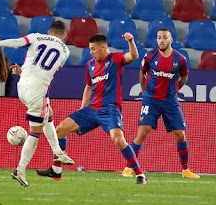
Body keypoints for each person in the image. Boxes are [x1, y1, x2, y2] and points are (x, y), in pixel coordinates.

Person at [35, 34, 149, 185]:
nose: (91, 52)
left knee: (118, 139)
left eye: (93, 49)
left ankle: (140, 174)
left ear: (103, 47)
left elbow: (134, 56)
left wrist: (131, 41)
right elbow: (88, 87)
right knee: (60, 130)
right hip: (91, 110)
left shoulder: (115, 59)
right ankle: (56, 170)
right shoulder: (90, 65)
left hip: (109, 110)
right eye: (90, 49)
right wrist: (82, 110)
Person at [0, 20, 75, 187]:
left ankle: (58, 153)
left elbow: (17, 43)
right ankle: (21, 170)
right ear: (64, 36)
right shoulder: (66, 51)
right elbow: (46, 70)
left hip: (22, 87)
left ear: (49, 31)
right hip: (37, 93)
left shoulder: (37, 37)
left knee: (48, 113)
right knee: (34, 134)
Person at [121, 28, 199, 179]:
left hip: (170, 100)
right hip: (151, 100)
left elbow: (184, 77)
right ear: (156, 40)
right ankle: (128, 168)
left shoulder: (180, 59)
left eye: (164, 37)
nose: (161, 40)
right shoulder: (150, 56)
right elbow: (142, 73)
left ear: (171, 40)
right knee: (143, 132)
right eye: (159, 38)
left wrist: (175, 90)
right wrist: (145, 93)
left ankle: (185, 171)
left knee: (180, 135)